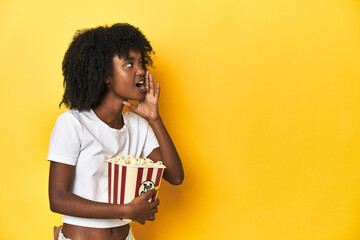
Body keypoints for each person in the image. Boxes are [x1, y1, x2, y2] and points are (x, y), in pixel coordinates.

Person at [47, 23, 184, 240]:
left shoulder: (138, 126)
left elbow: (175, 176)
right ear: (105, 76)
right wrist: (125, 210)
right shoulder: (73, 124)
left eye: (141, 63)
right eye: (129, 64)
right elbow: (58, 199)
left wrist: (155, 119)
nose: (141, 70)